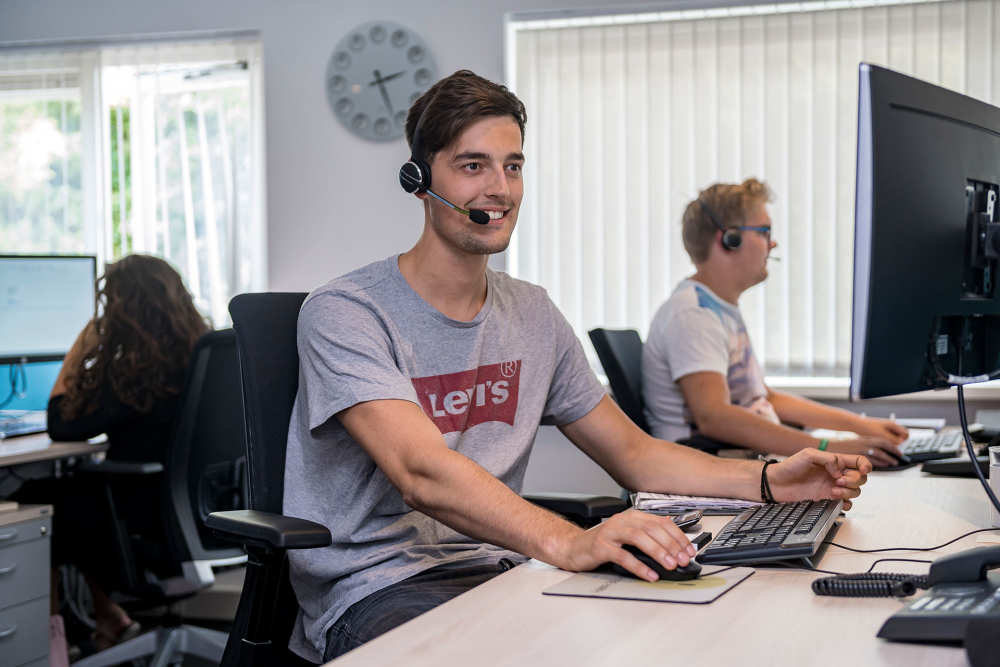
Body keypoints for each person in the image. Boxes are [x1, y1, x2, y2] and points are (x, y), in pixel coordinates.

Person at [285, 71, 872, 662]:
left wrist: (768, 480)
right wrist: (569, 542)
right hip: (379, 587)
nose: (500, 189)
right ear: (419, 180)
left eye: (513, 166)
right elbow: (422, 473)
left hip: (497, 568)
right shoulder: (347, 312)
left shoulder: (531, 313)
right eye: (472, 166)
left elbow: (635, 455)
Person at [641, 179, 908, 467]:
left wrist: (862, 426)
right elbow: (714, 417)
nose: (773, 243)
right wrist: (829, 448)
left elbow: (765, 398)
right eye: (764, 231)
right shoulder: (693, 315)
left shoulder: (718, 309)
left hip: (737, 462)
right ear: (729, 239)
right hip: (708, 469)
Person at [19, 253, 209, 649]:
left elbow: (60, 422)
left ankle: (50, 649)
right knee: (73, 494)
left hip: (142, 523)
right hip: (204, 516)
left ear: (123, 313)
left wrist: (79, 348)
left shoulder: (133, 375)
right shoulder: (204, 359)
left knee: (38, 500)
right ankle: (109, 618)